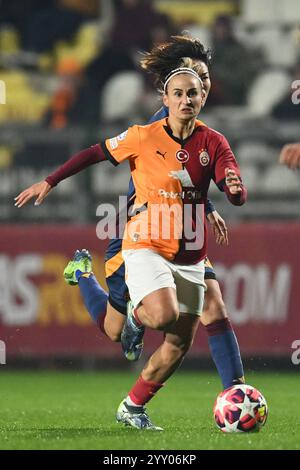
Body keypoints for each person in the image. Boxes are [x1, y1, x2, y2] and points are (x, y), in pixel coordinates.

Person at [15, 36, 247, 431]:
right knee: (116, 329)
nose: (197, 90)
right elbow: (152, 182)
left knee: (208, 309)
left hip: (186, 239)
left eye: (203, 82)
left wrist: (211, 202)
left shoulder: (208, 135)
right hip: (140, 232)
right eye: (188, 85)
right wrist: (50, 181)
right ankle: (84, 274)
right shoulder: (150, 131)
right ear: (169, 90)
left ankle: (235, 394)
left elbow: (189, 176)